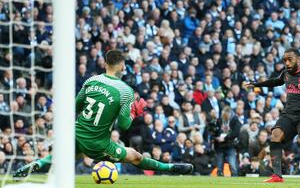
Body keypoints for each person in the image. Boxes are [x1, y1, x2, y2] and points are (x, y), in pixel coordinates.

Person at [13, 50, 193, 178]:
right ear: (122, 66)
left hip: (77, 132)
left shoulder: (91, 80)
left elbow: (76, 106)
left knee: (68, 155)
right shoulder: (125, 91)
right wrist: (133, 112)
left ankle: (38, 164)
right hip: (98, 143)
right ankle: (170, 168)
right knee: (135, 156)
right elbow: (123, 126)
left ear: (105, 64)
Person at [244, 48, 300, 183]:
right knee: (275, 135)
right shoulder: (286, 74)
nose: (287, 63)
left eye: (290, 60)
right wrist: (256, 84)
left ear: (299, 59)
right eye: (285, 60)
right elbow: (276, 81)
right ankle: (277, 175)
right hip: (288, 114)